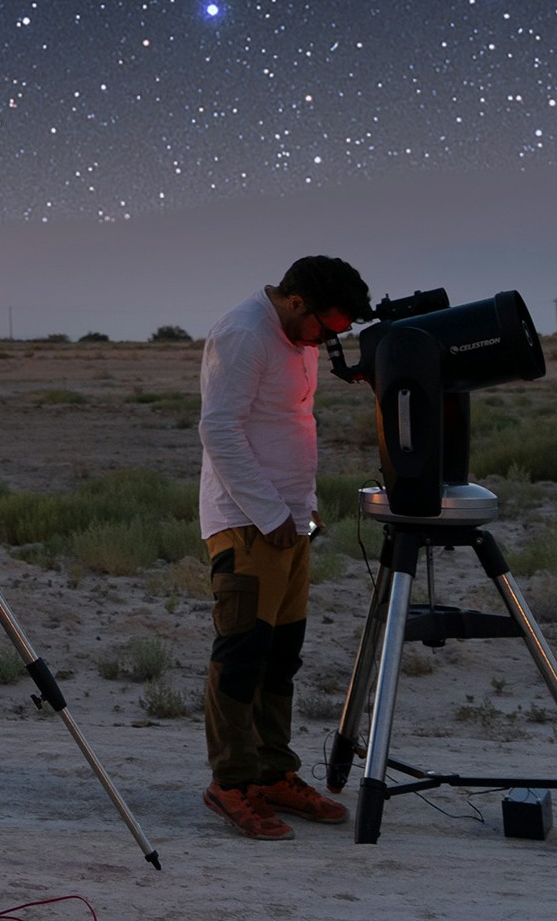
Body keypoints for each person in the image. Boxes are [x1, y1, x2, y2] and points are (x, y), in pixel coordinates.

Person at [196, 255, 371, 838]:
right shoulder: (245, 334)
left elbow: (295, 424)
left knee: (280, 658)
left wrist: (303, 509)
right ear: (297, 302)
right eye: (327, 327)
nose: (329, 340)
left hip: (290, 524)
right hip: (247, 524)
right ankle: (232, 785)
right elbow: (219, 428)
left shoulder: (300, 340)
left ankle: (273, 773)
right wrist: (270, 513)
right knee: (242, 656)